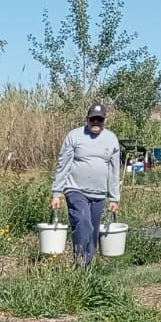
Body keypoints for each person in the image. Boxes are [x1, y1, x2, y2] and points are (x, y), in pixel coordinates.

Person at [50, 103, 120, 264]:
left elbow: (114, 170)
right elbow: (63, 165)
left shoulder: (111, 139)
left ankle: (85, 268)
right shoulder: (74, 136)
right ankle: (79, 259)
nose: (96, 122)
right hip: (75, 190)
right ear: (87, 119)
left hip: (99, 194)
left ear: (105, 120)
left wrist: (114, 198)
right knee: (83, 222)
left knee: (93, 232)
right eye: (93, 119)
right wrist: (56, 193)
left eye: (99, 120)